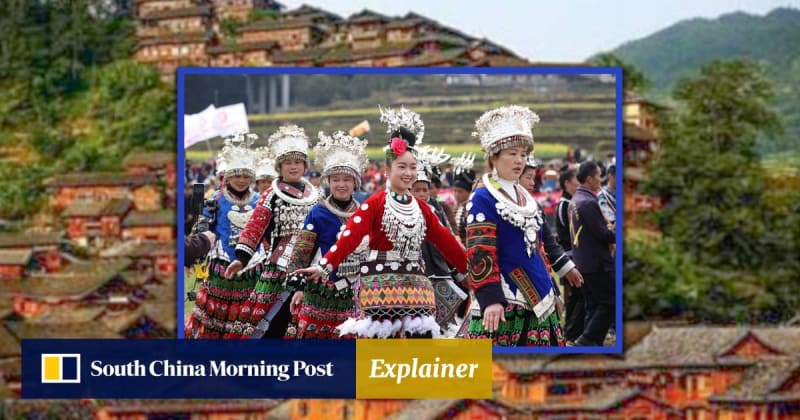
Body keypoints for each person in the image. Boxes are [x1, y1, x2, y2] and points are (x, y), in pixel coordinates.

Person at [294, 106, 467, 338]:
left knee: (420, 342)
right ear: (387, 170)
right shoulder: (375, 204)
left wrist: (473, 273)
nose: (408, 173)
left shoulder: (422, 208)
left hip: (417, 285)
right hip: (381, 287)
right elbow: (350, 237)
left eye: (413, 167)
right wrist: (324, 266)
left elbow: (446, 242)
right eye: (402, 167)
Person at [465, 105, 582, 347]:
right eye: (512, 154)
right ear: (494, 156)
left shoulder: (524, 197)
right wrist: (491, 299)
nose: (519, 161)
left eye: (523, 155)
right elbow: (480, 252)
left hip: (541, 295)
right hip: (506, 301)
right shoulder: (483, 198)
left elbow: (540, 244)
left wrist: (558, 276)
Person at [226, 124, 320, 338]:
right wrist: (241, 258)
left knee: (302, 322)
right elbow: (255, 227)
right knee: (270, 320)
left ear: (305, 165)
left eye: (297, 162)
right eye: (288, 163)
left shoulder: (317, 195)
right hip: (279, 267)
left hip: (311, 265)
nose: (293, 167)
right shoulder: (272, 195)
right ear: (280, 166)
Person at [285, 131, 368, 339]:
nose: (341, 185)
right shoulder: (318, 212)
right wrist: (299, 287)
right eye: (336, 179)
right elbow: (302, 252)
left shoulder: (364, 212)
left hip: (355, 291)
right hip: (321, 289)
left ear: (355, 182)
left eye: (347, 179)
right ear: (328, 181)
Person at [186, 132, 263, 339]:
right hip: (221, 266)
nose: (241, 180)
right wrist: (195, 254)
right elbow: (202, 226)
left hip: (254, 267)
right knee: (214, 319)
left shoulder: (260, 200)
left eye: (246, 176)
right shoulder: (216, 198)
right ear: (227, 176)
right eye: (236, 175)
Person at [411, 149, 466, 333]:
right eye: (416, 190)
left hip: (440, 272)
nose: (421, 194)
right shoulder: (401, 210)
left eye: (424, 190)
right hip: (416, 276)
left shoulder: (436, 208)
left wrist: (460, 271)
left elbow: (448, 240)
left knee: (444, 323)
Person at [569, 161, 616, 347]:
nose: (600, 179)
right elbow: (602, 233)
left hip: (583, 263)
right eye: (598, 175)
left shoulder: (576, 199)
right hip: (597, 264)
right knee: (610, 302)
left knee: (594, 305)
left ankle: (592, 341)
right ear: (589, 179)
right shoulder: (588, 202)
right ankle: (586, 340)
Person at [556, 168, 584, 344]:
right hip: (572, 257)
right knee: (577, 296)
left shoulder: (570, 203)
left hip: (574, 256)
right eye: (576, 181)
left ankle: (572, 331)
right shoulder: (565, 205)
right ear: (567, 184)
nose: (579, 184)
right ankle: (571, 332)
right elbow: (572, 234)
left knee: (576, 296)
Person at [451, 153, 477, 246]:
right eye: (455, 191)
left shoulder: (473, 208)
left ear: (469, 192)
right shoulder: (454, 209)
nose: (457, 195)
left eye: (460, 191)